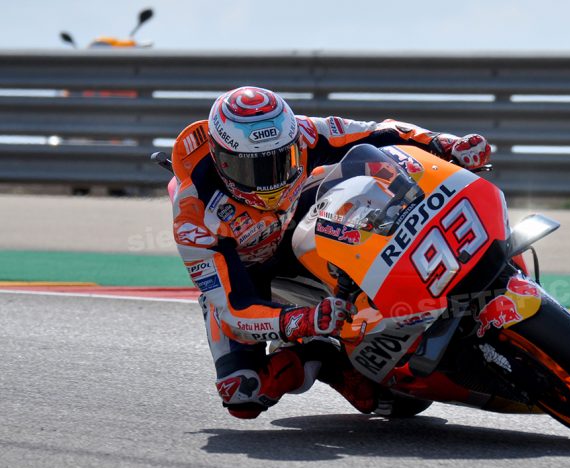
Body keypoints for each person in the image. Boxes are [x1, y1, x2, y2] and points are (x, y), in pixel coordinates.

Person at [170, 86, 490, 419]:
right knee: (243, 392)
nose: (271, 181)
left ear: (293, 141)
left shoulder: (305, 132)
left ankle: (414, 279)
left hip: (301, 220)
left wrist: (444, 142)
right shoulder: (194, 213)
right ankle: (320, 356)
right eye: (253, 170)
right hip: (246, 271)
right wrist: (302, 322)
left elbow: (379, 132)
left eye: (282, 161)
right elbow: (233, 311)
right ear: (223, 163)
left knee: (367, 182)